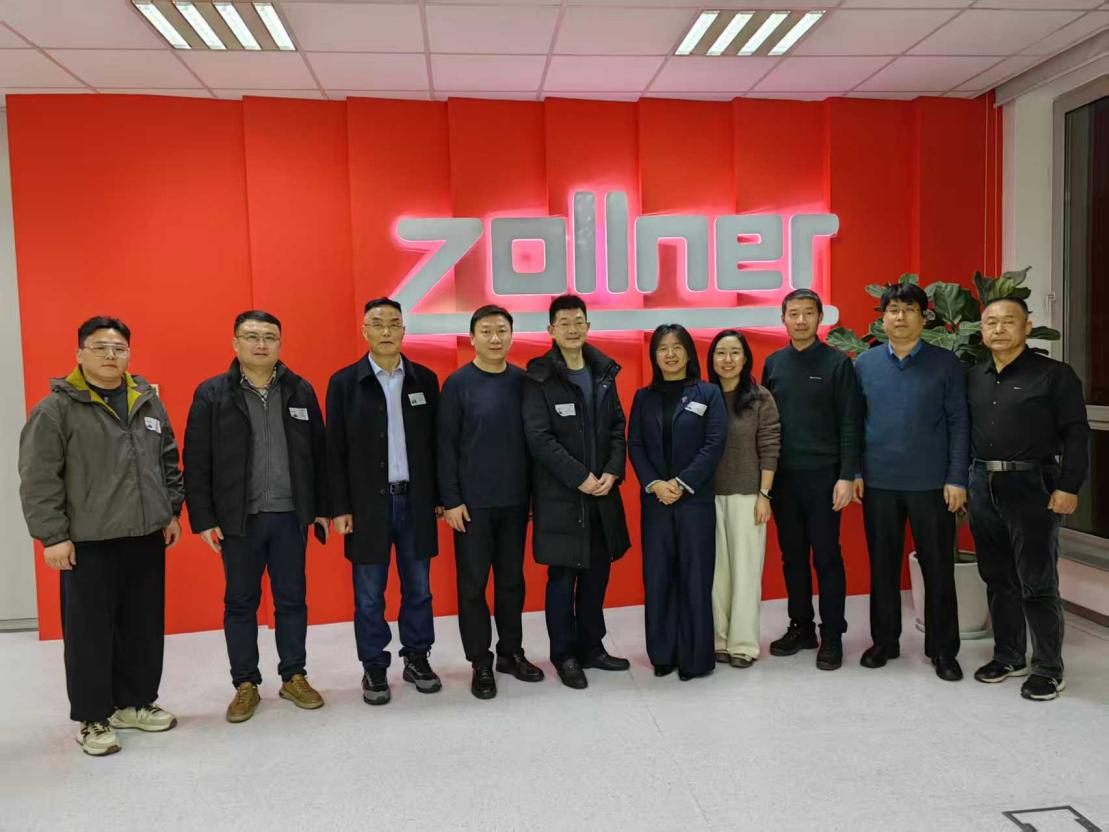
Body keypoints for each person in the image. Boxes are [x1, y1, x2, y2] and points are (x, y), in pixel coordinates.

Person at [18, 316, 184, 756]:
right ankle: (92, 717)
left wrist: (171, 510)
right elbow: (38, 479)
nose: (111, 355)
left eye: (119, 348)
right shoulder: (55, 409)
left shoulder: (146, 401)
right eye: (100, 347)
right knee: (89, 634)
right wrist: (52, 536)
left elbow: (168, 459)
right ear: (79, 353)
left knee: (142, 626)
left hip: (145, 535)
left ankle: (134, 703)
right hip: (88, 542)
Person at [183, 310, 330, 723]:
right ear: (235, 343)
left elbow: (318, 454)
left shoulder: (300, 390)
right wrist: (203, 517)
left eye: (270, 337)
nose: (261, 344)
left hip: (289, 516)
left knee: (292, 600)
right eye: (251, 336)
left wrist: (321, 509)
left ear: (280, 343)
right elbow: (196, 460)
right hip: (239, 520)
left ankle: (294, 675)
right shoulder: (212, 393)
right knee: (241, 602)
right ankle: (245, 683)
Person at [966, 297, 1090, 701]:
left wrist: (1069, 486)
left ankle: (1049, 668)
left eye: (1008, 321)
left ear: (1027, 326)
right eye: (991, 323)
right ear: (981, 330)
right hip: (982, 482)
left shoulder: (1054, 375)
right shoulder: (975, 375)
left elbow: (1076, 434)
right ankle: (1009, 655)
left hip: (1033, 484)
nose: (999, 329)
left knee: (1036, 580)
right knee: (997, 576)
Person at [326, 298, 442, 705]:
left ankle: (417, 657)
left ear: (404, 330)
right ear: (365, 331)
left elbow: (437, 445)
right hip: (366, 507)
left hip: (416, 502)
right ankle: (374, 664)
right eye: (378, 324)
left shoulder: (425, 380)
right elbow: (334, 451)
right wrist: (339, 507)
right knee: (369, 594)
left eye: (394, 323)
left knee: (419, 589)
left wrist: (440, 497)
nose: (387, 331)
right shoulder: (345, 383)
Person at [853, 282, 968, 682]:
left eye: (909, 309)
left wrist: (957, 477)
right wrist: (855, 472)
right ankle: (884, 642)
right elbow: (853, 424)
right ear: (883, 318)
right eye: (893, 310)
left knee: (938, 569)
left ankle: (943, 650)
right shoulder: (864, 364)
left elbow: (959, 422)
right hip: (879, 483)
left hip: (932, 484)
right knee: (882, 566)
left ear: (924, 317)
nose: (900, 317)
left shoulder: (946, 363)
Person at [522, 294, 632, 690]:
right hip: (562, 497)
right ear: (551, 330)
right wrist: (580, 477)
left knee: (597, 574)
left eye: (578, 322)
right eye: (564, 323)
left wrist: (612, 471)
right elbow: (539, 438)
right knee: (562, 577)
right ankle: (564, 654)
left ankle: (592, 647)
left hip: (602, 494)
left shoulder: (603, 372)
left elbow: (617, 426)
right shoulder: (539, 377)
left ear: (588, 326)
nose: (572, 329)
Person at [438, 305, 544, 700]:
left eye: (502, 330)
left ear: (512, 335)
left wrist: (534, 496)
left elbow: (536, 442)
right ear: (472, 338)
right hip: (472, 506)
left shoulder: (524, 382)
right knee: (473, 586)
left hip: (515, 502)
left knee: (512, 582)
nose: (495, 338)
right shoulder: (458, 384)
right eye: (486, 331)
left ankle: (511, 653)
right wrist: (450, 499)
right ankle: (480, 661)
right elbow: (444, 445)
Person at [762, 289, 861, 671]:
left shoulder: (838, 364)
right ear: (783, 319)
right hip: (784, 478)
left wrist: (846, 475)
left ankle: (832, 634)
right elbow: (765, 425)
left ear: (820, 318)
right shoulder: (773, 364)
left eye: (808, 313)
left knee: (827, 557)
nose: (800, 320)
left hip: (824, 477)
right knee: (792, 557)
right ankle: (801, 626)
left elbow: (850, 423)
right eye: (793, 313)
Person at [628, 324, 726, 680]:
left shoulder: (708, 393)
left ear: (688, 353)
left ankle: (694, 658)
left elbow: (714, 443)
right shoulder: (643, 397)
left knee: (695, 578)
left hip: (694, 501)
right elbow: (635, 444)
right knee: (658, 577)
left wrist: (682, 483)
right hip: (657, 501)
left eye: (677, 347)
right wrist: (655, 483)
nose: (670, 354)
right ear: (654, 355)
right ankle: (663, 654)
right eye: (662, 348)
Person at [706, 329, 780, 669]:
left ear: (746, 358)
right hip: (708, 497)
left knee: (746, 573)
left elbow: (770, 446)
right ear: (711, 359)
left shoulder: (760, 397)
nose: (728, 359)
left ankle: (743, 644)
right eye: (721, 352)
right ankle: (719, 640)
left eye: (735, 352)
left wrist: (764, 494)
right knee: (716, 575)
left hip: (748, 496)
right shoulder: (704, 396)